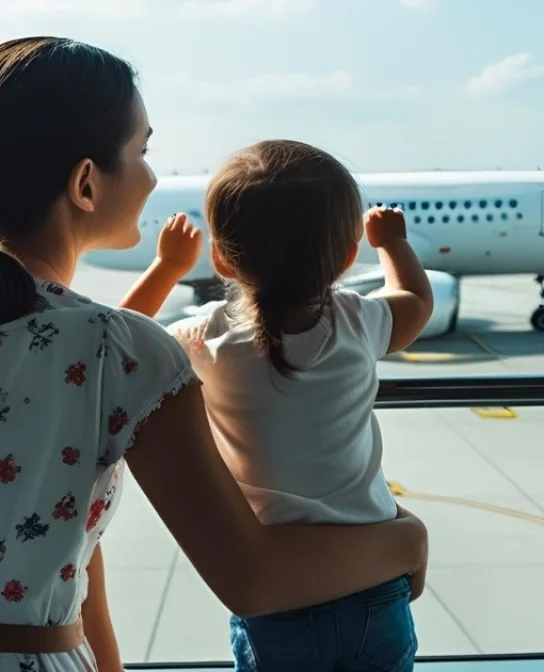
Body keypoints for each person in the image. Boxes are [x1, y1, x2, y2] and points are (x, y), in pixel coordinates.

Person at [0, 37, 428, 672]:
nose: (153, 177)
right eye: (142, 151)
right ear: (86, 182)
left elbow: (68, 547)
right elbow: (253, 580)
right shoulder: (119, 350)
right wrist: (406, 539)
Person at [120, 139, 436, 671]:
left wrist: (168, 266)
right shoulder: (359, 322)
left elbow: (118, 339)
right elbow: (417, 303)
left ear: (222, 256)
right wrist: (394, 245)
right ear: (344, 256)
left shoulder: (203, 340)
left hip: (279, 586)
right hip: (374, 577)